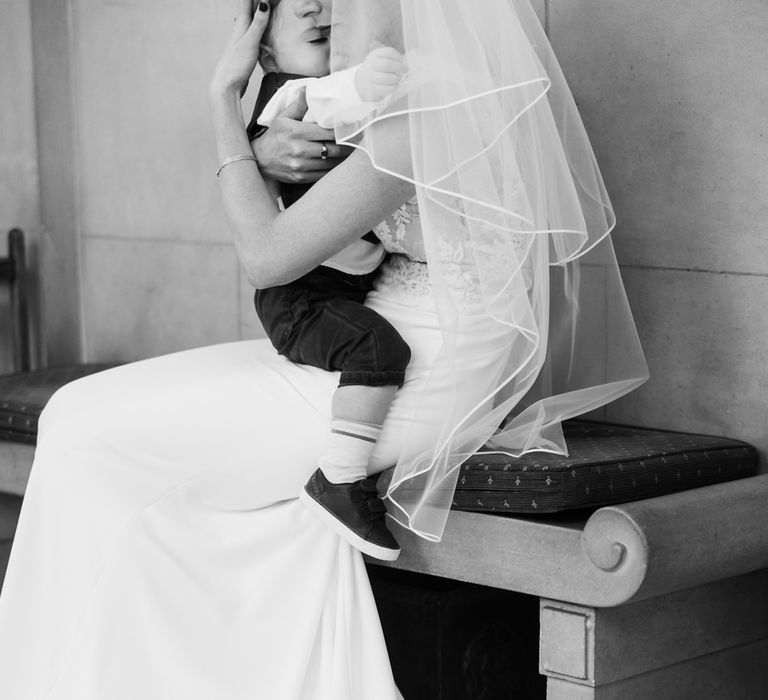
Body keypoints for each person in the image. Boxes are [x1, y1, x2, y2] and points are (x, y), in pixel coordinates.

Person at [0, 0, 647, 697]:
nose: (326, 9)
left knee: (93, 439)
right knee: (74, 411)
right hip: (376, 332)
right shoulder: (375, 93)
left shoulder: (427, 103)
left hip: (429, 362)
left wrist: (222, 100)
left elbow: (267, 258)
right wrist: (263, 147)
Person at [237, 1, 410, 561]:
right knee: (378, 348)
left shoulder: (338, 83)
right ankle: (340, 479)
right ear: (266, 53)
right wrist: (363, 81)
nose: (314, 9)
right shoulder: (283, 96)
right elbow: (319, 102)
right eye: (293, 10)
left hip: (338, 289)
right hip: (299, 298)